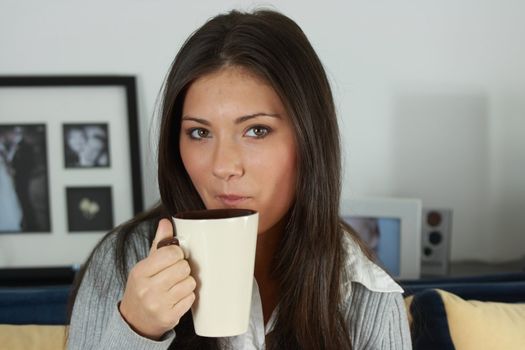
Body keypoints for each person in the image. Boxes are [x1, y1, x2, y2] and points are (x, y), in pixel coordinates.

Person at [68, 9, 411, 350]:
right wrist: (136, 330)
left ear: (309, 140)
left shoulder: (367, 295)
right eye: (200, 132)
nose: (223, 166)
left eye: (256, 130)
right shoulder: (122, 262)